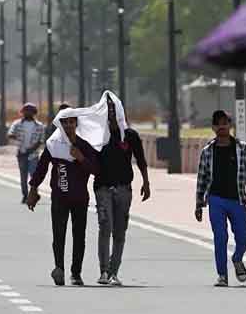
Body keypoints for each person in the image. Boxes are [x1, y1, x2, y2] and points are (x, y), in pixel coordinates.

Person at [27, 111, 100, 287]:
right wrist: (33, 189)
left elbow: (97, 169)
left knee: (79, 236)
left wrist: (81, 158)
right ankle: (59, 268)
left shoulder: (84, 145)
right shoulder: (53, 145)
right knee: (58, 235)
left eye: (71, 122)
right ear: (60, 125)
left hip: (80, 198)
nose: (68, 125)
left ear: (76, 123)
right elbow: (41, 168)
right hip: (59, 197)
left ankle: (76, 273)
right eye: (64, 122)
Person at [195, 110, 246, 287]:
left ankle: (237, 258)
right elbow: (202, 178)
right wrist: (199, 204)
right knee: (220, 236)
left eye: (225, 123)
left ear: (230, 125)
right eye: (218, 124)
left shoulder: (242, 148)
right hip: (216, 199)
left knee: (243, 237)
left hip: (237, 199)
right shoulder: (207, 151)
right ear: (213, 127)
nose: (222, 127)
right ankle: (222, 275)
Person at [94, 92, 150, 286]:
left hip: (124, 188)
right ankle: (103, 271)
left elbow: (141, 160)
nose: (110, 112)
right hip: (103, 188)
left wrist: (146, 182)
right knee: (105, 227)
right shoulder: (97, 135)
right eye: (106, 108)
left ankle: (113, 272)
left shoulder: (130, 135)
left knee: (119, 232)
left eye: (113, 108)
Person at [8, 103, 46, 204]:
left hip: (33, 154)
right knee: (23, 176)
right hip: (21, 154)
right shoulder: (17, 124)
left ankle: (34, 194)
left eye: (30, 111)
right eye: (26, 111)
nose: (28, 113)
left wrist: (32, 149)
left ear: (34, 113)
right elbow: (10, 134)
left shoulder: (40, 126)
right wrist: (18, 140)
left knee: (34, 176)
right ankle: (25, 195)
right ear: (23, 112)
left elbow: (41, 140)